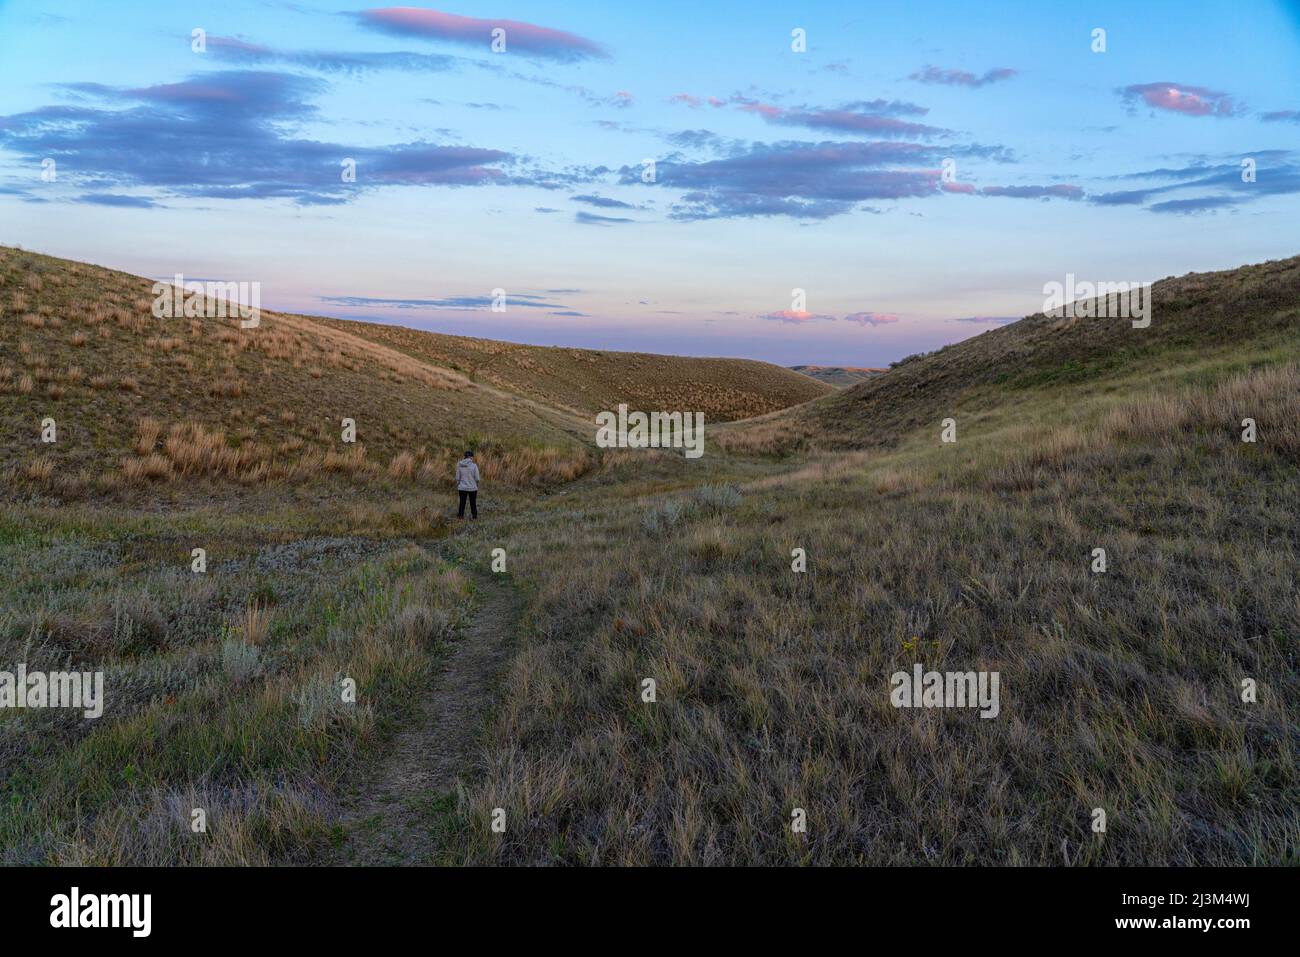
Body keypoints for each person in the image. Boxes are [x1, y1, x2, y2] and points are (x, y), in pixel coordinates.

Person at [456, 449, 480, 519]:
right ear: (471, 457)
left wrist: (459, 484)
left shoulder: (459, 465)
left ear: (464, 457)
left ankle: (460, 516)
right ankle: (474, 516)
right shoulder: (474, 466)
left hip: (462, 488)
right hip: (473, 488)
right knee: (473, 503)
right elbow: (477, 478)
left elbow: (457, 477)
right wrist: (476, 484)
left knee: (462, 502)